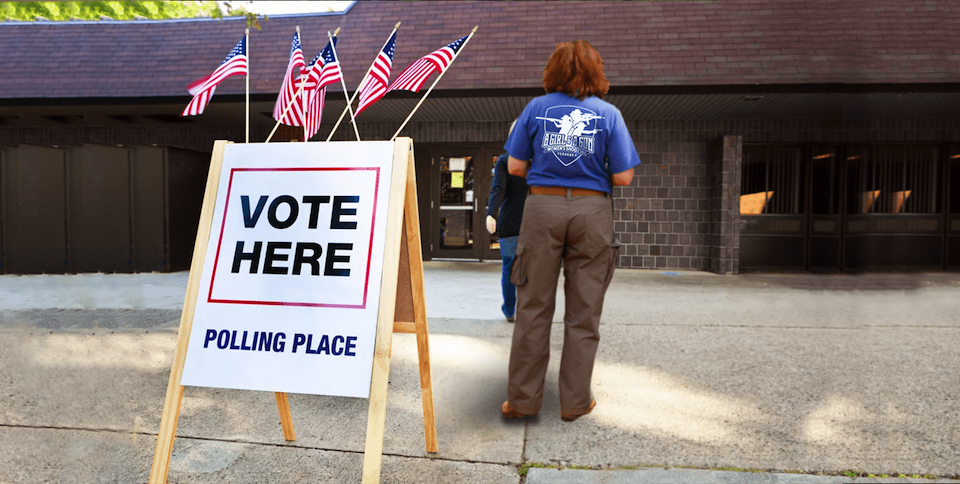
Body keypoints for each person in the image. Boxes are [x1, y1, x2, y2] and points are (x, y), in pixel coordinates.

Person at [500, 40, 641, 422]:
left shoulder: (536, 108)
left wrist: (548, 175)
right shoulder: (609, 114)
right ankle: (575, 403)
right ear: (596, 70)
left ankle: (523, 402)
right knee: (584, 313)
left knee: (532, 308)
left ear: (553, 71)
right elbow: (623, 176)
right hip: (592, 211)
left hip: (541, 207)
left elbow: (514, 166)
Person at [486, 130, 528, 323]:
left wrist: (491, 213)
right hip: (534, 223)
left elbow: (499, 189)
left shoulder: (505, 160)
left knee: (510, 269)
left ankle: (510, 310)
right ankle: (528, 311)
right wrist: (491, 213)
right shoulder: (537, 159)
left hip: (512, 221)